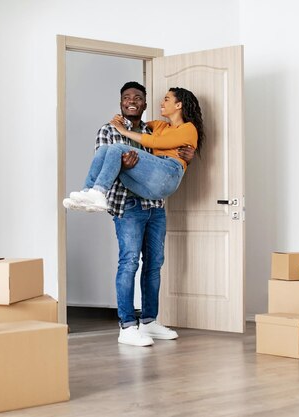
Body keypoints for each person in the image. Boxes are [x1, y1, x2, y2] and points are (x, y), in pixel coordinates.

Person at [64, 81, 198, 347]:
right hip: (127, 206)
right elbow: (103, 162)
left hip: (155, 205)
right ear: (121, 102)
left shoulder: (152, 129)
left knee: (154, 265)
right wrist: (123, 161)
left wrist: (188, 156)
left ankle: (149, 322)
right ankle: (127, 326)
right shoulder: (107, 130)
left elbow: (165, 160)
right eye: (127, 97)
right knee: (129, 263)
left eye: (138, 97)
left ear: (144, 104)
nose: (132, 101)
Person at [65, 87, 204, 212]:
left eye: (166, 99)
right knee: (104, 150)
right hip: (149, 188)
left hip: (168, 174)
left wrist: (123, 131)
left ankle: (99, 192)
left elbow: (155, 142)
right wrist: (119, 120)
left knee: (117, 148)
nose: (162, 103)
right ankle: (87, 193)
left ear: (178, 105)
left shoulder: (189, 128)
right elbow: (134, 122)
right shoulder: (160, 125)